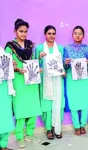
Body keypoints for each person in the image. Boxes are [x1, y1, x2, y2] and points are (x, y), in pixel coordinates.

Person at [5, 19, 42, 148]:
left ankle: (30, 133)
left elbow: (33, 61)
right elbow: (6, 65)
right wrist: (16, 68)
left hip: (31, 81)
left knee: (32, 108)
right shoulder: (10, 46)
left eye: (26, 31)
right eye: (21, 31)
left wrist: (38, 65)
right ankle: (20, 136)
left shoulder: (30, 45)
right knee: (20, 110)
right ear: (15, 31)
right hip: (19, 81)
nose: (24, 34)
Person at [35, 25, 65, 140]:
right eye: (49, 33)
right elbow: (33, 64)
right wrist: (39, 58)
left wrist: (64, 70)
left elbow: (62, 65)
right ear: (45, 35)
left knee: (59, 103)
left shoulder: (61, 48)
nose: (51, 36)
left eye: (53, 33)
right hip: (45, 81)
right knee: (47, 104)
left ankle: (57, 128)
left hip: (58, 80)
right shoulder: (39, 48)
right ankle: (48, 129)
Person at [63, 26, 88, 135]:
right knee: (73, 103)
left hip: (83, 79)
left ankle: (83, 125)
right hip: (71, 79)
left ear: (83, 35)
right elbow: (63, 66)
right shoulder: (67, 48)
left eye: (80, 33)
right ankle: (76, 126)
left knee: (84, 102)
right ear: (72, 35)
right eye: (75, 33)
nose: (77, 35)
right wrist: (66, 62)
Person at [0, 46, 15, 150]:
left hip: (4, 87)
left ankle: (3, 145)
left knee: (4, 116)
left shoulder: (2, 51)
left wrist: (11, 66)